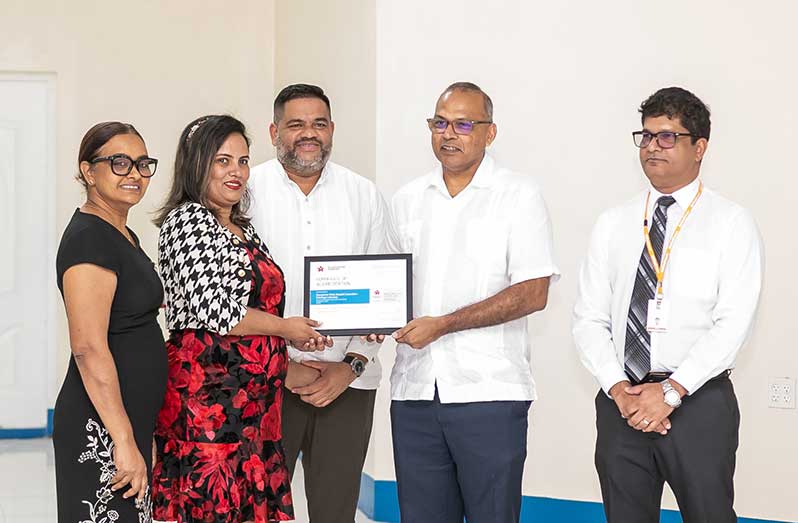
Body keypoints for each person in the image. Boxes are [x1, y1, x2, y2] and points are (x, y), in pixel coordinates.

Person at [572, 87, 764, 523]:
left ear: (700, 147)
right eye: (646, 136)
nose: (652, 147)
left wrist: (672, 392)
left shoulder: (731, 223)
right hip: (623, 403)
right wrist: (618, 389)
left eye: (667, 137)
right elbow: (588, 318)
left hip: (698, 403)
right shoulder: (613, 222)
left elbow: (734, 323)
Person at [389, 82, 559, 523]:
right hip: (414, 392)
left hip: (489, 394)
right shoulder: (407, 199)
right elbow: (388, 289)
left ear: (490, 132)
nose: (449, 134)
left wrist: (444, 324)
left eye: (464, 124)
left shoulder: (518, 195)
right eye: (440, 123)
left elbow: (533, 292)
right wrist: (371, 320)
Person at [151, 115, 330, 523]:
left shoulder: (240, 227)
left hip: (254, 409)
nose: (236, 172)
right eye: (223, 161)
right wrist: (285, 328)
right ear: (197, 164)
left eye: (243, 161)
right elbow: (216, 310)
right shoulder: (188, 220)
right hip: (210, 405)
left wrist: (291, 342)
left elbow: (260, 308)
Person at [248, 83, 395, 523]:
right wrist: (282, 367)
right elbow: (230, 297)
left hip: (346, 386)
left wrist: (350, 366)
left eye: (319, 123)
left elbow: (385, 294)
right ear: (274, 131)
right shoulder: (246, 193)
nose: (308, 133)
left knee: (335, 511)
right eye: (296, 124)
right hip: (265, 383)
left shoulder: (363, 195)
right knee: (257, 509)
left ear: (332, 129)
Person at [54, 121, 165, 523]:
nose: (134, 173)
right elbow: (87, 348)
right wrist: (123, 439)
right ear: (88, 171)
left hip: (125, 422)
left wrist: (139, 431)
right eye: (119, 162)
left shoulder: (121, 233)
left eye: (142, 163)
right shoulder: (89, 238)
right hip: (99, 427)